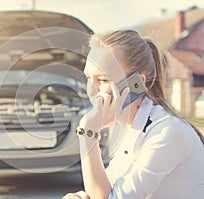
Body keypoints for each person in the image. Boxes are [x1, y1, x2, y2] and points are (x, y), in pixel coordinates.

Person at [63, 30, 204, 199]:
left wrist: (87, 134)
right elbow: (102, 192)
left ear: (136, 84)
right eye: (88, 78)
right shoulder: (131, 130)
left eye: (102, 80)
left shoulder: (168, 132)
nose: (91, 91)